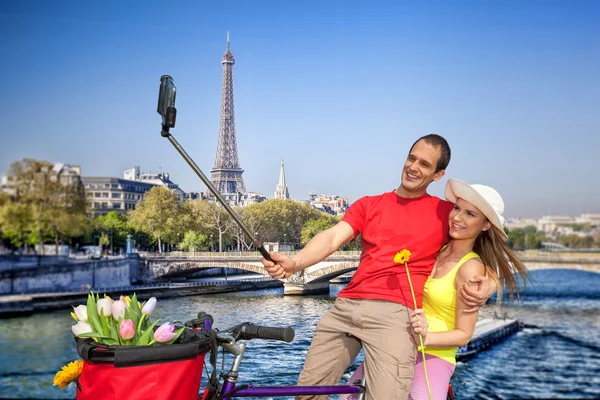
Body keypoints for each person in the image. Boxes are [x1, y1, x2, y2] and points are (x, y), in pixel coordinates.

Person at [261, 134, 497, 400]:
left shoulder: (446, 213)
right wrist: (296, 262)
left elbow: (472, 251)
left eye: (425, 165)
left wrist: (490, 279)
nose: (414, 167)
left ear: (438, 175)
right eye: (411, 158)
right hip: (346, 306)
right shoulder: (368, 204)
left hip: (396, 317)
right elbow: (332, 237)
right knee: (308, 392)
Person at [339, 179, 530, 400]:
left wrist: (425, 337)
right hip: (394, 347)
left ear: (486, 225)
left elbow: (464, 335)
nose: (457, 217)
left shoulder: (471, 269)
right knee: (348, 397)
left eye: (470, 214)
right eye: (457, 208)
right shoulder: (437, 248)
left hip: (433, 358)